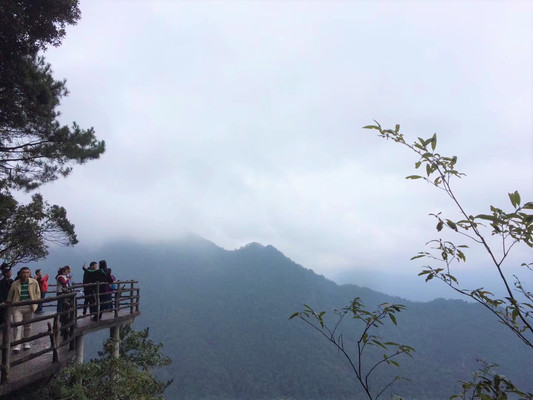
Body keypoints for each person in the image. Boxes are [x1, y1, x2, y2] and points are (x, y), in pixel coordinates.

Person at [7, 267, 41, 352]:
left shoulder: (34, 282)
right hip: (17, 307)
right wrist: (11, 307)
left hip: (29, 307)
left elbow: (37, 293)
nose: (25, 274)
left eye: (27, 272)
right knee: (18, 326)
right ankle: (17, 345)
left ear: (29, 273)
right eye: (23, 272)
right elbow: (10, 296)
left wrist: (35, 303)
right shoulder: (15, 284)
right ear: (20, 273)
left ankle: (26, 342)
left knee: (28, 326)